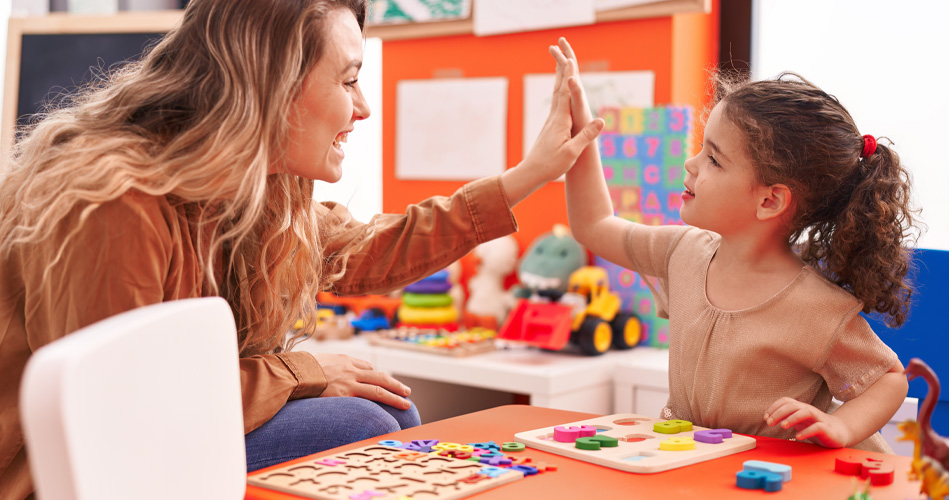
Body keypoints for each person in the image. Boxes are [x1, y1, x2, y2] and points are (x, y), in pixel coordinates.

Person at [0, 0, 604, 496]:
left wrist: (530, 173)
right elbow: (120, 407)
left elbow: (363, 249)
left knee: (386, 416)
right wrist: (300, 372)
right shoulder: (115, 199)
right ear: (272, 88)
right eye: (348, 81)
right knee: (365, 422)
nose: (363, 107)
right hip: (67, 472)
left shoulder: (253, 186)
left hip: (157, 431)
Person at [554, 38, 918, 452]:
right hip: (690, 467)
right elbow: (594, 225)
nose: (691, 164)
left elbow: (888, 379)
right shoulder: (682, 252)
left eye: (713, 159)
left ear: (769, 200)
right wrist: (579, 130)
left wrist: (842, 427)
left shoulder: (817, 308)